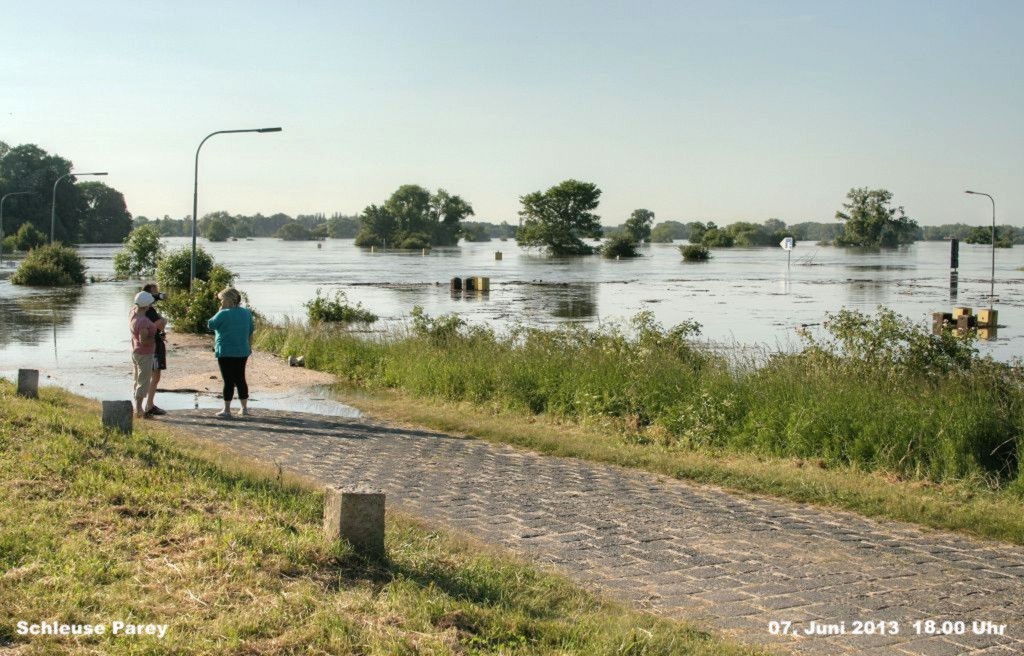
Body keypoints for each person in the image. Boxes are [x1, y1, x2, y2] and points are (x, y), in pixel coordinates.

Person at [207, 287, 254, 418]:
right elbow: (250, 331)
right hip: (242, 350)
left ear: (228, 300)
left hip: (225, 350)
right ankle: (244, 408)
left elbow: (211, 325)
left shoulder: (223, 313)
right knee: (240, 379)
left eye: (222, 300)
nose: (221, 303)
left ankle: (227, 409)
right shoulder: (246, 313)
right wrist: (249, 347)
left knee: (228, 380)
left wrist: (219, 311)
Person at [129, 291, 166, 419]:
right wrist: (157, 339)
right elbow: (144, 341)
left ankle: (137, 408)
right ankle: (139, 410)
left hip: (135, 351)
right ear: (148, 305)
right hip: (144, 353)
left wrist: (156, 297)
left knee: (137, 380)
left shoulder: (132, 313)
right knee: (143, 382)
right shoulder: (143, 321)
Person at [141, 283, 168, 416]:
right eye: (154, 293)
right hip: (154, 346)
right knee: (154, 375)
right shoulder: (148, 310)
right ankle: (148, 405)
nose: (156, 296)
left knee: (150, 376)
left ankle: (147, 404)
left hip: (151, 344)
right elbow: (159, 325)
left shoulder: (141, 309)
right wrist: (163, 321)